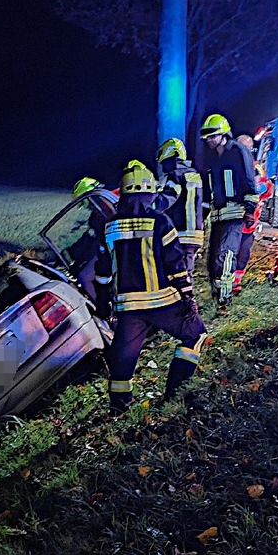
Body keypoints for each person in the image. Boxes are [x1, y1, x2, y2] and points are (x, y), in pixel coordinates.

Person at [94, 162, 207, 413]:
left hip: (128, 309)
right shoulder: (160, 221)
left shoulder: (109, 226)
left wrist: (103, 305)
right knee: (195, 334)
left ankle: (118, 410)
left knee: (121, 364)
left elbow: (102, 273)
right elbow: (176, 264)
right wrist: (187, 296)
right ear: (150, 192)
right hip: (163, 303)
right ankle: (174, 394)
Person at [200, 114, 258, 312]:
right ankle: (217, 298)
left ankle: (225, 302)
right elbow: (210, 191)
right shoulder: (213, 158)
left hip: (234, 213)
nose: (209, 140)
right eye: (206, 137)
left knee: (224, 257)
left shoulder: (238, 151)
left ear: (224, 134)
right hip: (217, 215)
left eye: (212, 136)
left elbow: (249, 181)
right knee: (212, 261)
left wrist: (250, 209)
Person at [155, 138, 205, 277]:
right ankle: (187, 296)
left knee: (177, 274)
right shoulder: (194, 175)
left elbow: (166, 199)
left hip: (179, 233)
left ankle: (185, 298)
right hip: (195, 234)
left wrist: (148, 209)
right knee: (186, 272)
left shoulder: (175, 176)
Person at [233, 147, 271, 296]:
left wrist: (258, 188)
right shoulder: (230, 166)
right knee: (229, 253)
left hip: (248, 225)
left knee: (243, 253)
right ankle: (226, 283)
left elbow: (266, 189)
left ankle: (236, 283)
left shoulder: (256, 169)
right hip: (232, 221)